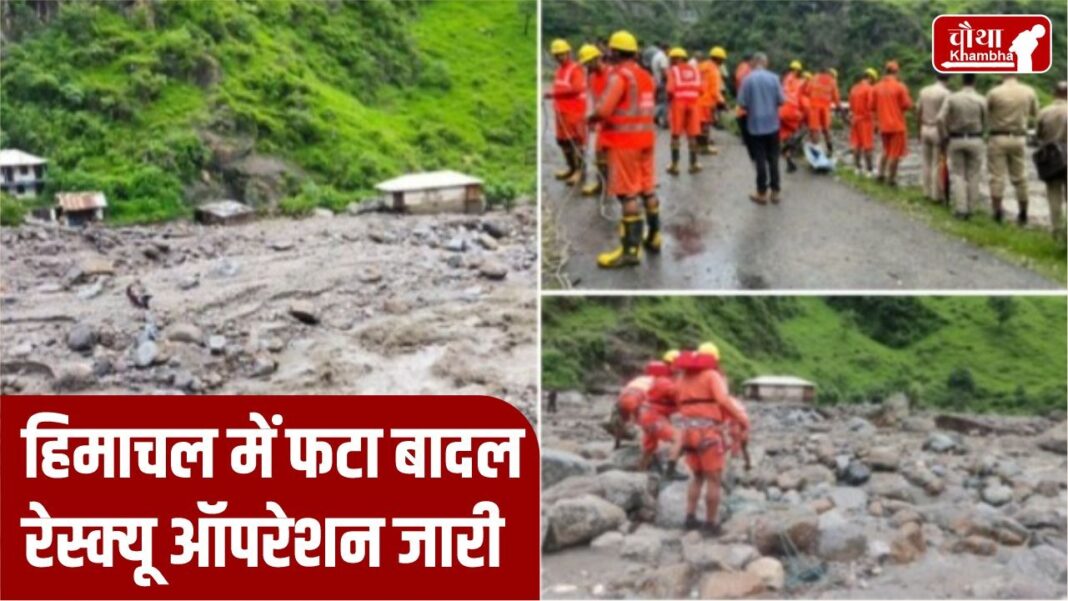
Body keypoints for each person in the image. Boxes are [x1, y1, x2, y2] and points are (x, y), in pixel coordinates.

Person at [590, 30, 658, 269]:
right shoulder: (646, 76)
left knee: (628, 194)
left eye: (610, 49)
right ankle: (654, 237)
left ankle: (630, 251)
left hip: (624, 143)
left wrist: (591, 118)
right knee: (647, 188)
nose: (607, 53)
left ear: (616, 52)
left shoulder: (620, 77)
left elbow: (603, 110)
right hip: (646, 140)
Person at [671, 343, 749, 533]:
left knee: (697, 477)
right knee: (714, 479)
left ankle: (689, 518)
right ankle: (711, 524)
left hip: (688, 433)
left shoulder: (682, 378)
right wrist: (741, 419)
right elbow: (723, 400)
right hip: (708, 434)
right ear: (714, 359)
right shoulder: (712, 376)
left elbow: (678, 403)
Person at [986, 74, 1039, 223]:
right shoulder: (1029, 91)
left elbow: (986, 112)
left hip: (998, 136)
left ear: (1002, 74)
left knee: (997, 176)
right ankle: (1023, 212)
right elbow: (1036, 113)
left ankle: (997, 211)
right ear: (1018, 75)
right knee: (1020, 177)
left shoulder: (994, 92)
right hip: (1019, 138)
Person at [737, 52, 785, 205]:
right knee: (773, 158)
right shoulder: (775, 78)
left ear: (754, 62)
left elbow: (742, 103)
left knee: (760, 159)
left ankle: (761, 193)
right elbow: (781, 100)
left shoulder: (747, 80)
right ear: (764, 62)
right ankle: (776, 192)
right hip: (772, 124)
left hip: (755, 125)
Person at [937, 73, 986, 219]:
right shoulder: (981, 99)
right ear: (974, 81)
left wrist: (944, 134)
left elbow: (940, 118)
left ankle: (961, 209)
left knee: (958, 174)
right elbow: (987, 120)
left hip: (956, 139)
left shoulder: (952, 98)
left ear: (961, 81)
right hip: (975, 138)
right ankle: (971, 208)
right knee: (974, 174)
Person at [545, 39, 588, 186]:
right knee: (563, 143)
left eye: (561, 54)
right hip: (561, 113)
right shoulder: (559, 70)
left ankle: (580, 171)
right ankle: (571, 168)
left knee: (575, 142)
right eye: (556, 55)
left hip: (574, 113)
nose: (558, 57)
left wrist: (554, 95)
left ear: (568, 53)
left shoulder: (575, 69)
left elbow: (576, 89)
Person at [870, 60, 913, 186]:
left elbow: (871, 106)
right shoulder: (900, 86)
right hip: (897, 125)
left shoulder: (876, 87)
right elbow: (907, 105)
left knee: (886, 151)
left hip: (883, 125)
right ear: (896, 71)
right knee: (895, 154)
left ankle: (880, 174)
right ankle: (891, 179)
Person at [1035, 81, 1068, 239]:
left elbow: (1039, 134)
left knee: (1054, 194)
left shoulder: (1044, 111)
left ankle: (1057, 231)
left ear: (1054, 93)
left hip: (1052, 157)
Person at [666, 47, 704, 175]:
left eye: (672, 58)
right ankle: (693, 164)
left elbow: (670, 90)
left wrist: (670, 100)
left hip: (679, 104)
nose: (671, 61)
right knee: (692, 135)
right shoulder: (695, 69)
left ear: (678, 58)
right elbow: (702, 89)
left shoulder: (674, 70)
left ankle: (675, 165)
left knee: (675, 134)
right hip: (693, 103)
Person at [579, 43, 611, 196]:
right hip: (601, 120)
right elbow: (593, 99)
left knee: (614, 156)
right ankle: (602, 184)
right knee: (599, 153)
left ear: (598, 58)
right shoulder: (591, 78)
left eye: (588, 62)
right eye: (585, 63)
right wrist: (593, 118)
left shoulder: (612, 74)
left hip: (615, 121)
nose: (587, 66)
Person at [917, 73, 952, 202]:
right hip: (937, 129)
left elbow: (919, 111)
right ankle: (936, 194)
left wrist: (918, 130)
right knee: (937, 163)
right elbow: (945, 117)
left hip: (924, 126)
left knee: (926, 162)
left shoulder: (924, 91)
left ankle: (926, 191)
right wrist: (946, 134)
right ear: (948, 79)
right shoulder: (946, 94)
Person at [697, 46, 728, 155]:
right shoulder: (714, 70)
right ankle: (704, 148)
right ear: (718, 59)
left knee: (699, 125)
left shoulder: (701, 66)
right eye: (722, 59)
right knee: (705, 125)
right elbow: (715, 90)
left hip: (697, 100)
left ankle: (698, 146)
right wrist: (722, 102)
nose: (723, 62)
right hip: (706, 101)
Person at [848, 68, 878, 176]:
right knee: (868, 146)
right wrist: (876, 121)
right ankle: (869, 170)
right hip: (866, 120)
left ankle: (857, 168)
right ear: (871, 78)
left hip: (855, 120)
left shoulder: (854, 88)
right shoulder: (869, 89)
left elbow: (851, 106)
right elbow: (872, 106)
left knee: (856, 144)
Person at [806, 66, 840, 156]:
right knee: (826, 130)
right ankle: (830, 149)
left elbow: (807, 91)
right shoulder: (832, 81)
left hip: (814, 107)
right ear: (828, 72)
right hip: (825, 109)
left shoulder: (813, 78)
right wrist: (838, 107)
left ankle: (815, 151)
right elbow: (836, 97)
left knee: (814, 130)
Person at [733, 54, 754, 161]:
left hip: (741, 95)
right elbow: (742, 80)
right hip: (745, 97)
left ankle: (745, 138)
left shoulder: (742, 67)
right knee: (744, 117)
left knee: (742, 117)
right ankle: (746, 139)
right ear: (749, 60)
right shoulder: (745, 68)